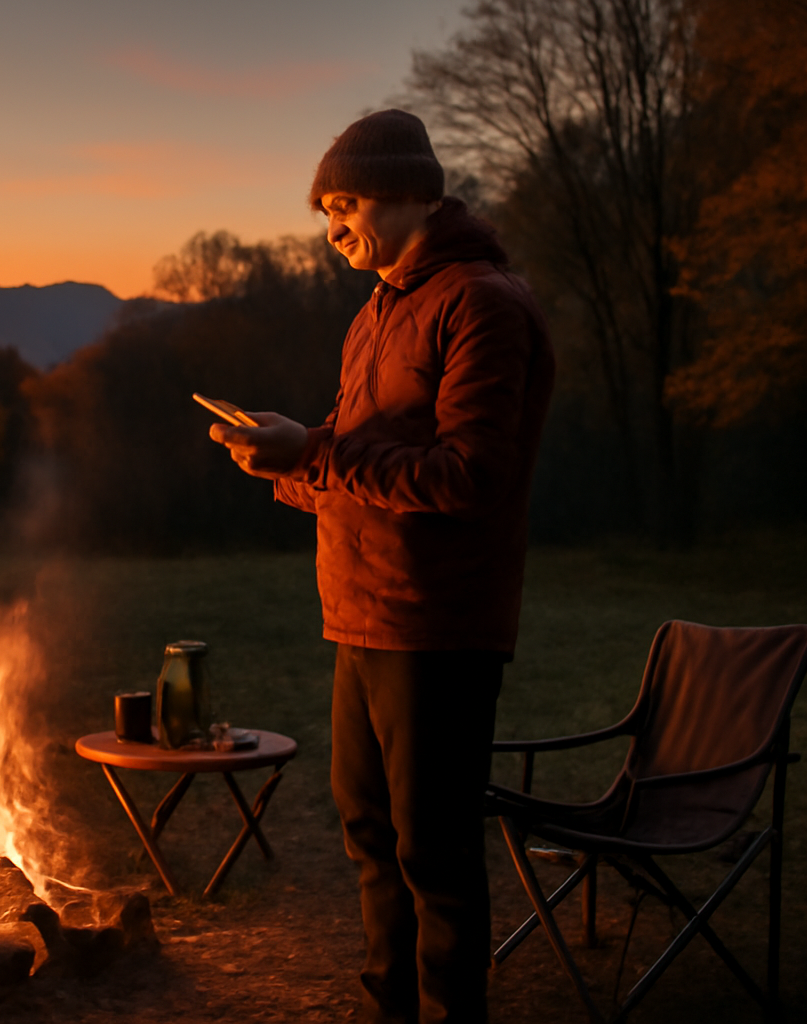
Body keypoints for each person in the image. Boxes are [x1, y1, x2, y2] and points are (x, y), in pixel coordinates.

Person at [210, 109, 555, 1024]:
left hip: (437, 622)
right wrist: (281, 461)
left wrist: (312, 455)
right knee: (371, 837)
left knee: (433, 853)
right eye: (326, 210)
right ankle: (386, 1010)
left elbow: (468, 476)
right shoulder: (376, 311)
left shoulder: (482, 302)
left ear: (413, 193)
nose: (332, 229)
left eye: (346, 203)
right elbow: (362, 457)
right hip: (360, 612)